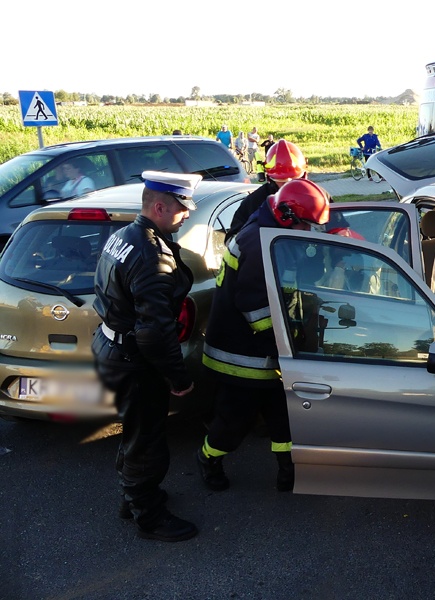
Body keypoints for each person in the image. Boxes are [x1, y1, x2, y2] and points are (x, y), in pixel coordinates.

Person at [196, 178, 331, 493]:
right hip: (241, 354)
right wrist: (288, 342)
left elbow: (291, 282)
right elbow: (254, 306)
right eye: (307, 226)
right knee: (234, 421)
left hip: (270, 351)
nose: (310, 233)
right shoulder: (257, 243)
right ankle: (207, 458)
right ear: (287, 217)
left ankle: (288, 470)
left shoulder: (275, 233)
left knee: (284, 417)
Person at [91, 170, 202, 542]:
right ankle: (149, 516)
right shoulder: (152, 256)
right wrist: (179, 378)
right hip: (133, 359)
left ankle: (133, 497)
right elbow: (154, 332)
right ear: (159, 206)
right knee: (148, 438)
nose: (188, 214)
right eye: (182, 208)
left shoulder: (124, 235)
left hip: (111, 345)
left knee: (135, 430)